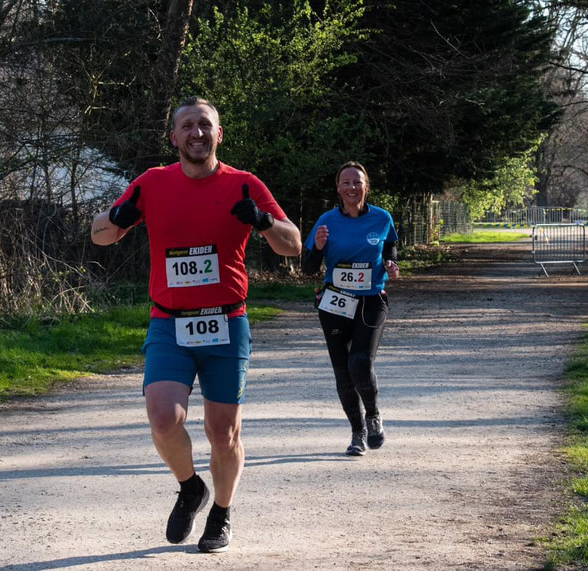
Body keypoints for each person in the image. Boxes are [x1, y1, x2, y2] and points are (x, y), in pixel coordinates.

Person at [91, 96, 301, 553]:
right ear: (174, 137)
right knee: (164, 418)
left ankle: (222, 513)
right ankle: (190, 487)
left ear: (219, 135)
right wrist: (119, 218)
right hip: (169, 322)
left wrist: (263, 221)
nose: (197, 133)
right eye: (188, 126)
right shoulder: (151, 183)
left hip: (226, 322)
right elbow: (98, 234)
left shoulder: (244, 184)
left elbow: (293, 245)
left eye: (205, 125)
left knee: (222, 432)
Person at [301, 161, 399, 456]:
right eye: (346, 182)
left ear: (366, 186)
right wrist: (317, 247)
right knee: (343, 374)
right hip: (335, 302)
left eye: (357, 182)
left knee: (360, 363)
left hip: (371, 301)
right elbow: (307, 269)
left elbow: (390, 250)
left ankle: (372, 415)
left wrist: (392, 264)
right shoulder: (326, 221)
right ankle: (357, 432)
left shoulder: (382, 218)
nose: (352, 188)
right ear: (338, 188)